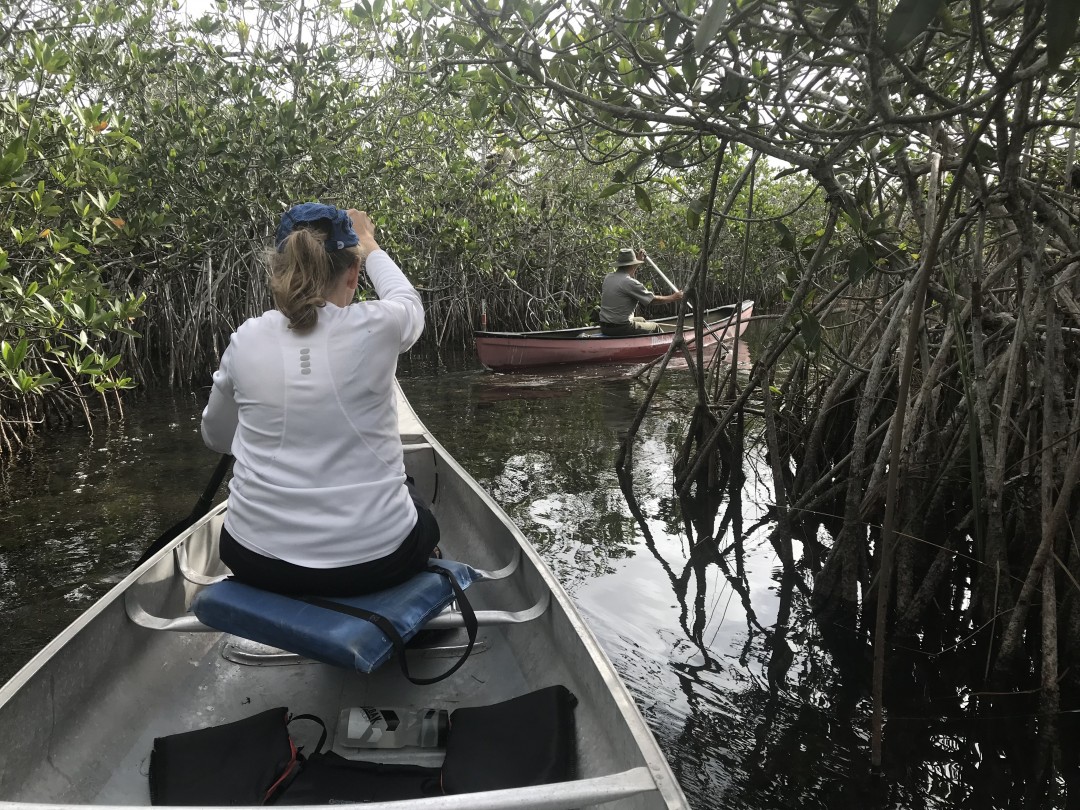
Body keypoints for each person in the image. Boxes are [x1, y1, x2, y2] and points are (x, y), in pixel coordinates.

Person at [200, 202, 438, 597]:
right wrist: (370, 242)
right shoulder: (379, 325)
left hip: (254, 559)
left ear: (278, 272)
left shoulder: (245, 340)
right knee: (418, 505)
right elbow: (408, 300)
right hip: (379, 563)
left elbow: (217, 438)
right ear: (354, 274)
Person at [598, 248, 685, 336]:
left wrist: (637, 261)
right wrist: (674, 297)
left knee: (641, 320)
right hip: (620, 328)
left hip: (605, 327)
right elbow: (652, 300)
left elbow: (629, 272)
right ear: (631, 265)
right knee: (655, 327)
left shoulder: (608, 277)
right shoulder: (629, 283)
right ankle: (669, 347)